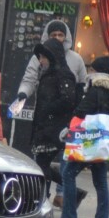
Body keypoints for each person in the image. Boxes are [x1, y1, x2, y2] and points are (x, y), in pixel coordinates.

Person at [58, 55, 109, 218]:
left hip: (87, 141)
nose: (89, 72)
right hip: (103, 142)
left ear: (97, 72)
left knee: (67, 174)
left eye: (92, 69)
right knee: (101, 183)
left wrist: (68, 129)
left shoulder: (95, 89)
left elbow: (82, 111)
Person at [27, 37, 82, 204]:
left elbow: (68, 100)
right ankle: (72, 192)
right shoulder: (48, 74)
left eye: (43, 57)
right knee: (43, 163)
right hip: (46, 125)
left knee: (42, 164)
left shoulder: (62, 74)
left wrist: (48, 109)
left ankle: (43, 198)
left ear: (51, 56)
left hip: (55, 128)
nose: (41, 61)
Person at [15, 19, 88, 104]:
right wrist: (23, 93)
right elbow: (29, 79)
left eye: (60, 35)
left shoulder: (76, 59)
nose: (57, 38)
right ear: (48, 36)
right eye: (53, 35)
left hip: (69, 110)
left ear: (65, 37)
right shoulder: (38, 57)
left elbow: (84, 84)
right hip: (44, 107)